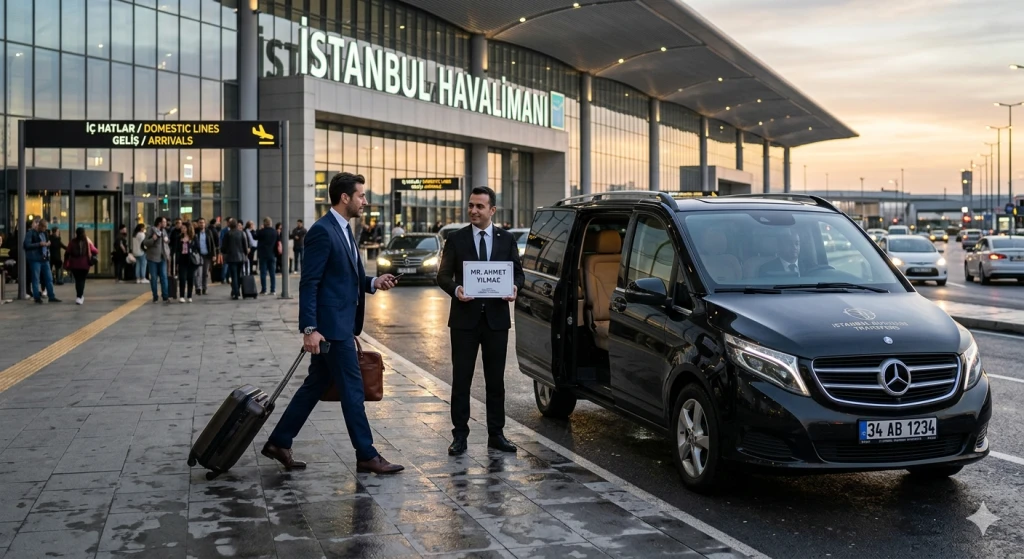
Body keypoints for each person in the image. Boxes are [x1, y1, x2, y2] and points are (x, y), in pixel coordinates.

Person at [262, 172, 403, 475]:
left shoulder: (345, 229)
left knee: (315, 386)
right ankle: (367, 454)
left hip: (339, 325)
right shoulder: (322, 231)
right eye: (361, 196)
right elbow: (309, 283)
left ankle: (279, 441)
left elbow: (343, 277)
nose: (365, 201)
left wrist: (374, 282)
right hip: (331, 330)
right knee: (352, 391)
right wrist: (310, 329)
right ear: (345, 198)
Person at [436, 186, 524, 456]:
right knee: (461, 379)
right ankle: (459, 435)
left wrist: (515, 289)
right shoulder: (456, 238)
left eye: (480, 206)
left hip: (496, 321)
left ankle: (496, 434)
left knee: (495, 381)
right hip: (464, 321)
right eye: (471, 205)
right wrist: (456, 290)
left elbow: (518, 275)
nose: (473, 210)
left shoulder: (506, 239)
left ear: (492, 210)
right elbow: (442, 276)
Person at [23, 219, 61, 304]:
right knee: (36, 278)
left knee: (49, 278)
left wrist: (47, 244)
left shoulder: (45, 233)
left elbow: (45, 244)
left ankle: (51, 296)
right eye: (44, 227)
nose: (45, 229)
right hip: (35, 259)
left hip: (44, 258)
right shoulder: (31, 233)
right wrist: (39, 244)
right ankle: (36, 297)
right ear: (40, 226)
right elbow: (27, 245)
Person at [63, 227, 98, 305]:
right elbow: (95, 251)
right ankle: (79, 296)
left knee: (77, 280)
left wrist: (66, 263)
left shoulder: (72, 242)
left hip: (74, 265)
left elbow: (67, 253)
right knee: (82, 280)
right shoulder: (87, 242)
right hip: (85, 265)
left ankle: (79, 296)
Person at [143, 216, 171, 303]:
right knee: (154, 278)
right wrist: (153, 239)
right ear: (159, 223)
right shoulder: (151, 230)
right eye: (164, 222)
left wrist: (167, 240)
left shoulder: (164, 231)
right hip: (152, 258)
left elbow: (167, 241)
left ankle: (165, 296)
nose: (165, 224)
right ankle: (155, 296)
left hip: (163, 257)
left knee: (164, 277)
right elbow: (145, 242)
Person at [221, 218, 248, 300]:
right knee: (239, 274)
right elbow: (245, 246)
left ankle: (235, 292)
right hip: (240, 257)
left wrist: (225, 252)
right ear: (237, 225)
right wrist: (245, 254)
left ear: (230, 225)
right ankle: (238, 291)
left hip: (231, 257)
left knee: (234, 276)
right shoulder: (241, 233)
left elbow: (223, 247)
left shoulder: (227, 234)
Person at [194, 218, 218, 295]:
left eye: (203, 223)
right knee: (198, 273)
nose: (201, 224)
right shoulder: (195, 232)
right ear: (198, 224)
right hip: (198, 255)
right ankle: (198, 288)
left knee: (205, 273)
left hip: (207, 255)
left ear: (205, 224)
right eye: (200, 223)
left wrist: (214, 255)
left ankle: (204, 288)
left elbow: (212, 243)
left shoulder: (208, 232)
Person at [256, 217, 278, 295]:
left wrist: (259, 229)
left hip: (263, 254)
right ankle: (273, 290)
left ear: (264, 223)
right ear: (271, 223)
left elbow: (255, 237)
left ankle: (264, 290)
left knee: (263, 273)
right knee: (272, 273)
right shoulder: (275, 232)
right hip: (272, 254)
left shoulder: (261, 232)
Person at [177, 222, 198, 303]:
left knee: (190, 278)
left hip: (191, 260)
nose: (182, 229)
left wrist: (189, 243)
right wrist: (181, 242)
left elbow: (197, 247)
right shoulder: (179, 237)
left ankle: (189, 296)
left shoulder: (193, 237)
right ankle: (182, 296)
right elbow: (177, 249)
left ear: (188, 229)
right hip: (182, 259)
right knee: (182, 278)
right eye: (182, 228)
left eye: (184, 228)